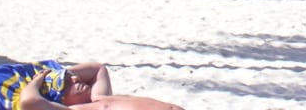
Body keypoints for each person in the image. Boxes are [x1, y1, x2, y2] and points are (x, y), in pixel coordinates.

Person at [19, 63, 184, 110]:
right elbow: (29, 102)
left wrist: (62, 72)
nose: (76, 79)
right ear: (60, 98)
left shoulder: (98, 97)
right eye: (68, 83)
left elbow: (98, 69)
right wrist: (39, 79)